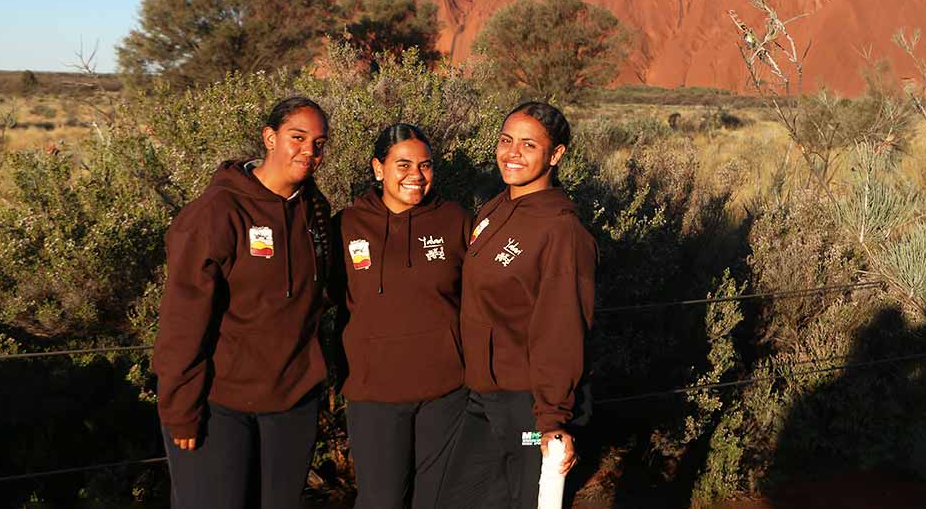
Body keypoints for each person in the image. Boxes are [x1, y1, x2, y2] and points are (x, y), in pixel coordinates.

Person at [152, 96, 332, 509]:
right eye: (297, 137)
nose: (309, 151)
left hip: (292, 402)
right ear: (269, 138)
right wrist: (181, 407)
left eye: (319, 143)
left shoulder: (314, 209)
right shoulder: (217, 212)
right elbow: (183, 319)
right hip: (220, 405)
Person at [439, 101, 596, 509]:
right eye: (507, 140)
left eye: (529, 144)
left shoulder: (562, 230)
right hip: (483, 394)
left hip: (527, 405)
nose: (513, 153)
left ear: (556, 155)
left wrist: (552, 420)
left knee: (525, 500)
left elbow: (562, 329)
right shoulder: (495, 208)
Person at [331, 124, 471, 509]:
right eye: (403, 164)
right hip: (374, 392)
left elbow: (480, 296)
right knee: (382, 499)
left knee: (437, 498)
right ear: (378, 168)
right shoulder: (346, 225)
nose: (416, 176)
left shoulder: (455, 220)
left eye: (425, 166)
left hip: (446, 391)